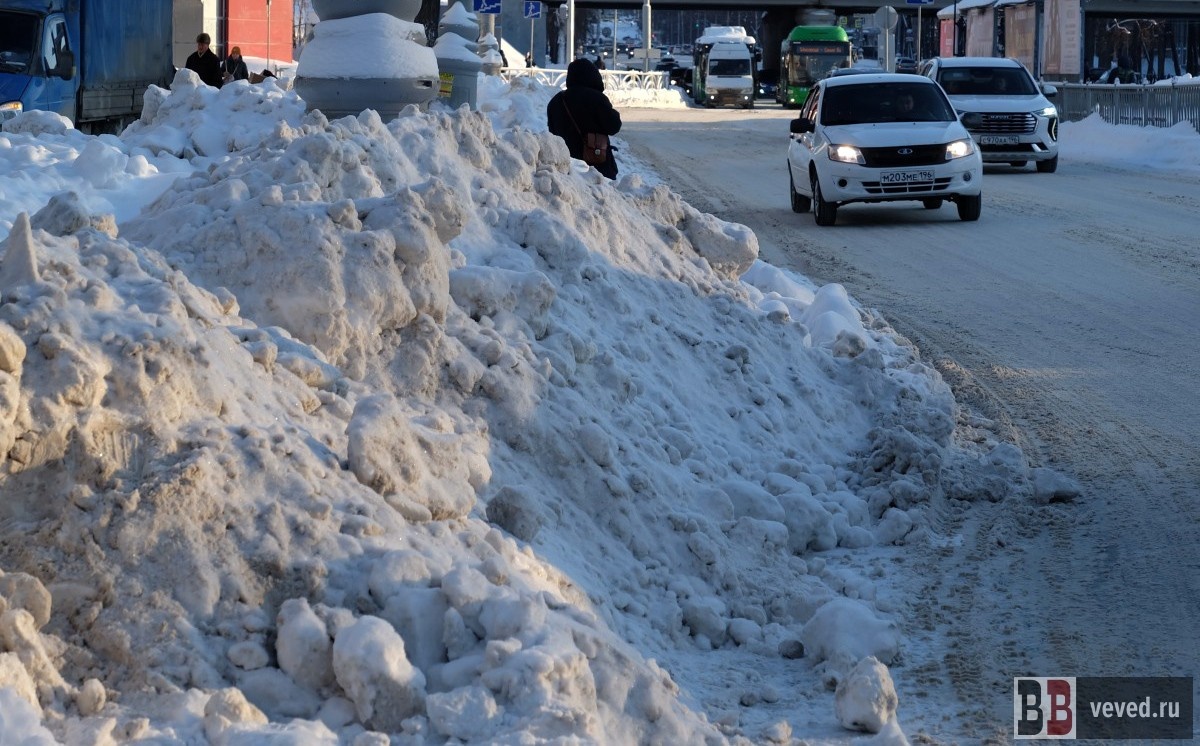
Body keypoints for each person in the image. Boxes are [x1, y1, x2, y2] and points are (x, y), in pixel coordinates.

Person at [546, 58, 622, 179]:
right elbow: (614, 126)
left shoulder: (557, 101)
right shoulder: (597, 99)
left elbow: (552, 132)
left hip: (565, 167)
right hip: (597, 165)